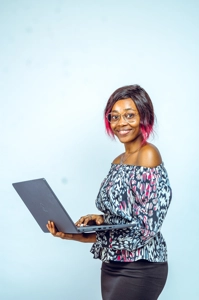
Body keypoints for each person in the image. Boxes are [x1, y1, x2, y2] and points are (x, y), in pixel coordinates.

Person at [47, 84, 172, 300]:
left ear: (144, 117)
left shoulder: (148, 154)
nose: (121, 123)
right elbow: (124, 220)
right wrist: (76, 232)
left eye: (129, 115)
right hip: (112, 264)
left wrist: (104, 228)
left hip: (141, 266)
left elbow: (145, 229)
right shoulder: (117, 162)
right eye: (114, 116)